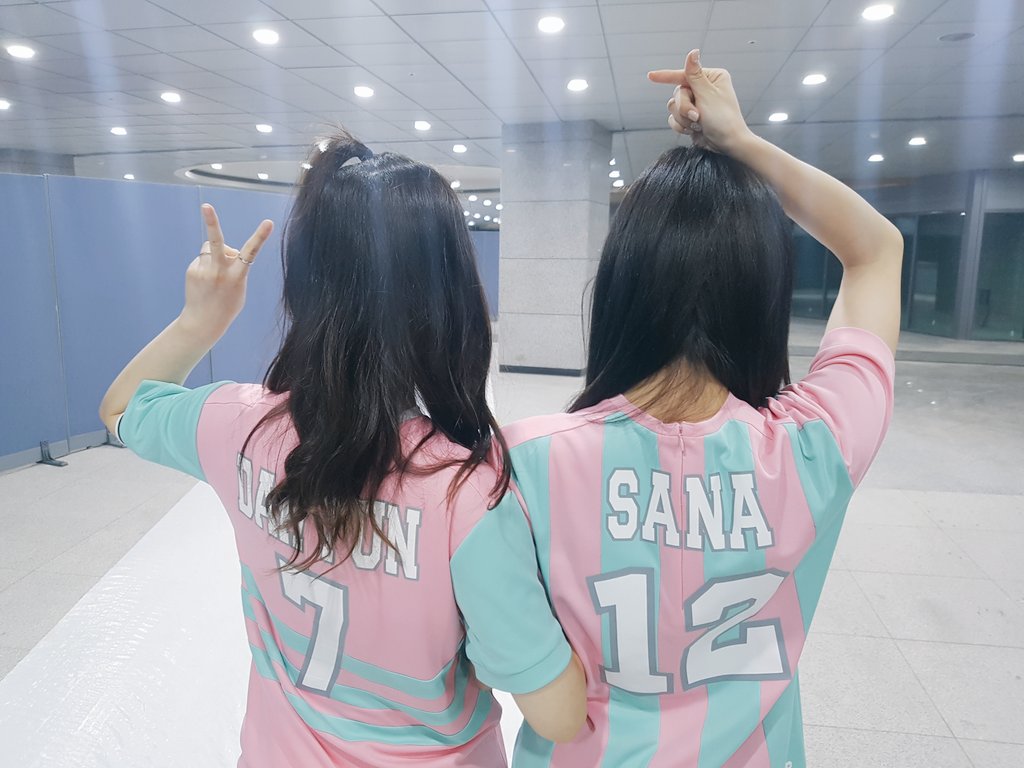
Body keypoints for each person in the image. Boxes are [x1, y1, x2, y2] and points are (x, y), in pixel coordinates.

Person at [99, 134, 586, 768]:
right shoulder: (466, 492)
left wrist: (201, 320)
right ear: (449, 300)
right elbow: (557, 714)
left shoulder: (234, 424)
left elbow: (121, 408)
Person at [503, 50, 903, 767]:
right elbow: (876, 250)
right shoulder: (817, 446)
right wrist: (740, 143)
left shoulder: (524, 460)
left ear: (621, 285)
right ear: (764, 297)